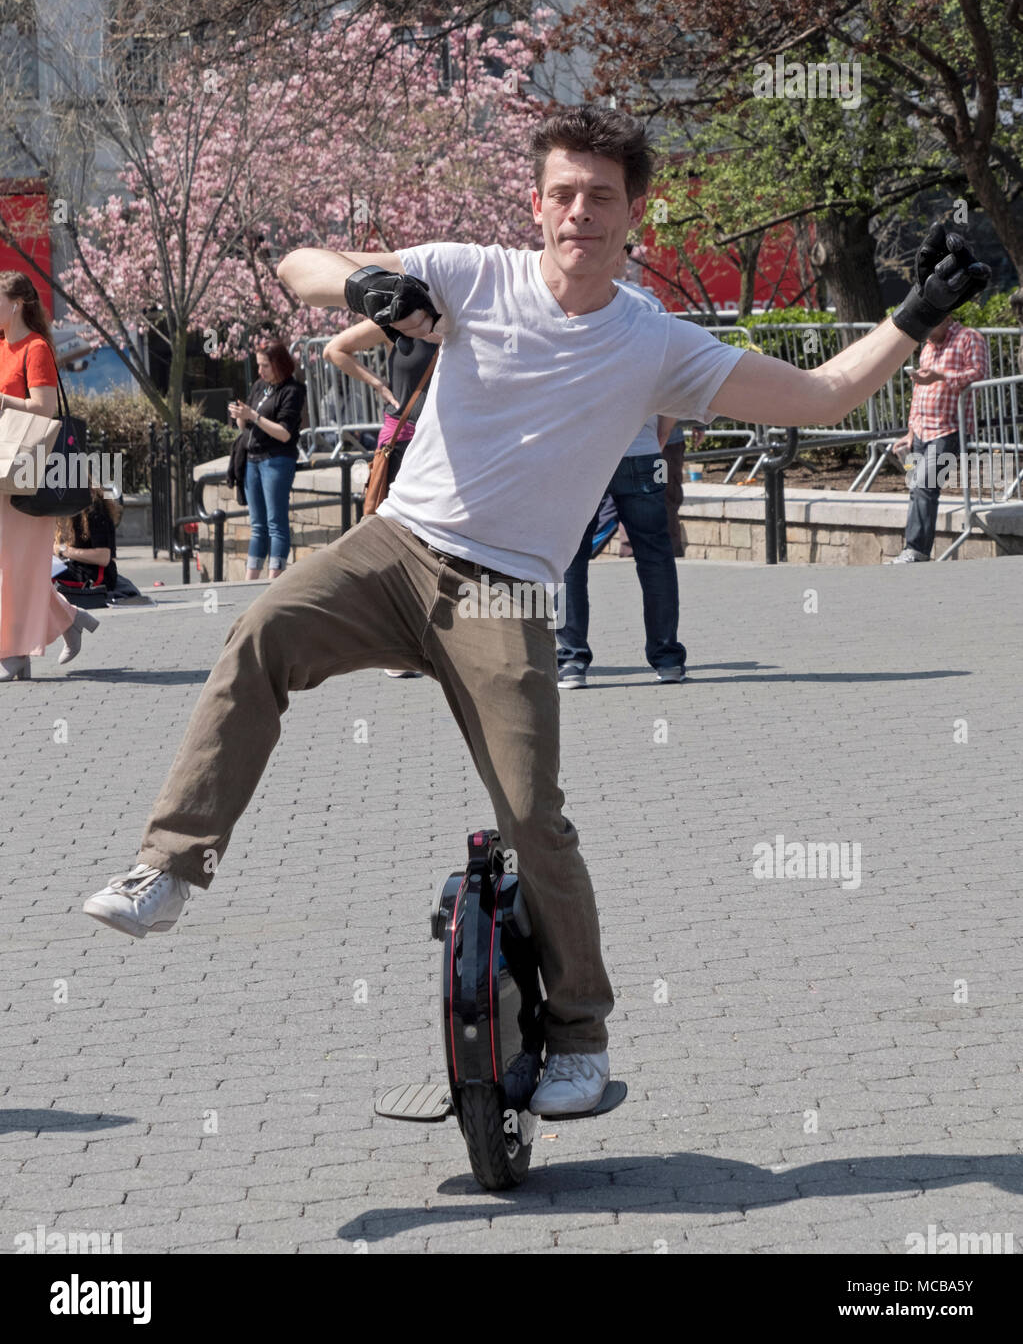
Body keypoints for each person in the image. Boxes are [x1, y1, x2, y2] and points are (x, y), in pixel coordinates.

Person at [82, 107, 989, 1115]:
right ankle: (167, 866)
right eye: (563, 192)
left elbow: (821, 395)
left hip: (508, 585)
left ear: (633, 213)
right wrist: (364, 283)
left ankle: (579, 1037)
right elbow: (301, 265)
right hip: (396, 547)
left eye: (602, 195)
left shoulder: (652, 341)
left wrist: (917, 313)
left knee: (530, 816)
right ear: (537, 204)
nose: (579, 211)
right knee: (259, 629)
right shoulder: (475, 274)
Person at [557, 249, 687, 687]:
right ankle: (667, 657)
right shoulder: (650, 307)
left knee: (571, 559)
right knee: (655, 555)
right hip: (642, 451)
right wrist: (659, 436)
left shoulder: (569, 307)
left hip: (582, 455)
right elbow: (672, 385)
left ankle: (571, 659)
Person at [323, 320, 441, 679]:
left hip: (443, 445)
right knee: (393, 541)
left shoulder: (464, 320)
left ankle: (430, 642)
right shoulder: (403, 322)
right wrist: (377, 383)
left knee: (436, 546)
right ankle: (394, 647)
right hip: (401, 440)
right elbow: (335, 350)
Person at [0, 271, 93, 681]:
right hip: (4, 462)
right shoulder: (1, 345)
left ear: (16, 303)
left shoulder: (35, 348)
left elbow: (45, 409)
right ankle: (69, 619)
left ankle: (14, 655)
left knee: (14, 566)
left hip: (28, 468)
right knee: (9, 565)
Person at [888, 315, 989, 562]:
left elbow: (979, 374)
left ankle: (915, 550)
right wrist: (910, 432)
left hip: (949, 429)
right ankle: (914, 551)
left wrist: (941, 376)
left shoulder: (968, 338)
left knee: (925, 484)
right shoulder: (928, 346)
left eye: (930, 327)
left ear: (945, 318)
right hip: (922, 430)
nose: (927, 334)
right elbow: (919, 391)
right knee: (918, 487)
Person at [228, 340, 306, 580]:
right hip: (252, 458)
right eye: (258, 365)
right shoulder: (260, 386)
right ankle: (250, 579)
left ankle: (275, 578)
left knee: (275, 522)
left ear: (279, 365)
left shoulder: (292, 390)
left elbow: (284, 433)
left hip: (276, 459)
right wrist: (242, 416)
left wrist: (254, 415)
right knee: (257, 524)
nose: (260, 371)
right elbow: (246, 424)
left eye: (265, 366)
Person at [52, 486, 121, 661]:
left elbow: (104, 557)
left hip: (93, 575)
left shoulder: (95, 512)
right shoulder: (73, 509)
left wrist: (63, 550)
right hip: (77, 567)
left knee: (39, 582)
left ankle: (72, 620)